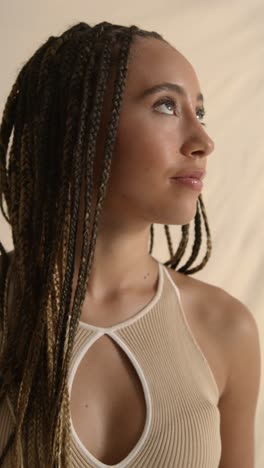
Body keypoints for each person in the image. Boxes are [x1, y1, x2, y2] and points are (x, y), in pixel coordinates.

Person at [0, 21, 261, 468]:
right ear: (75, 126)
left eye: (199, 113)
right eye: (165, 105)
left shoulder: (224, 328)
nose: (202, 141)